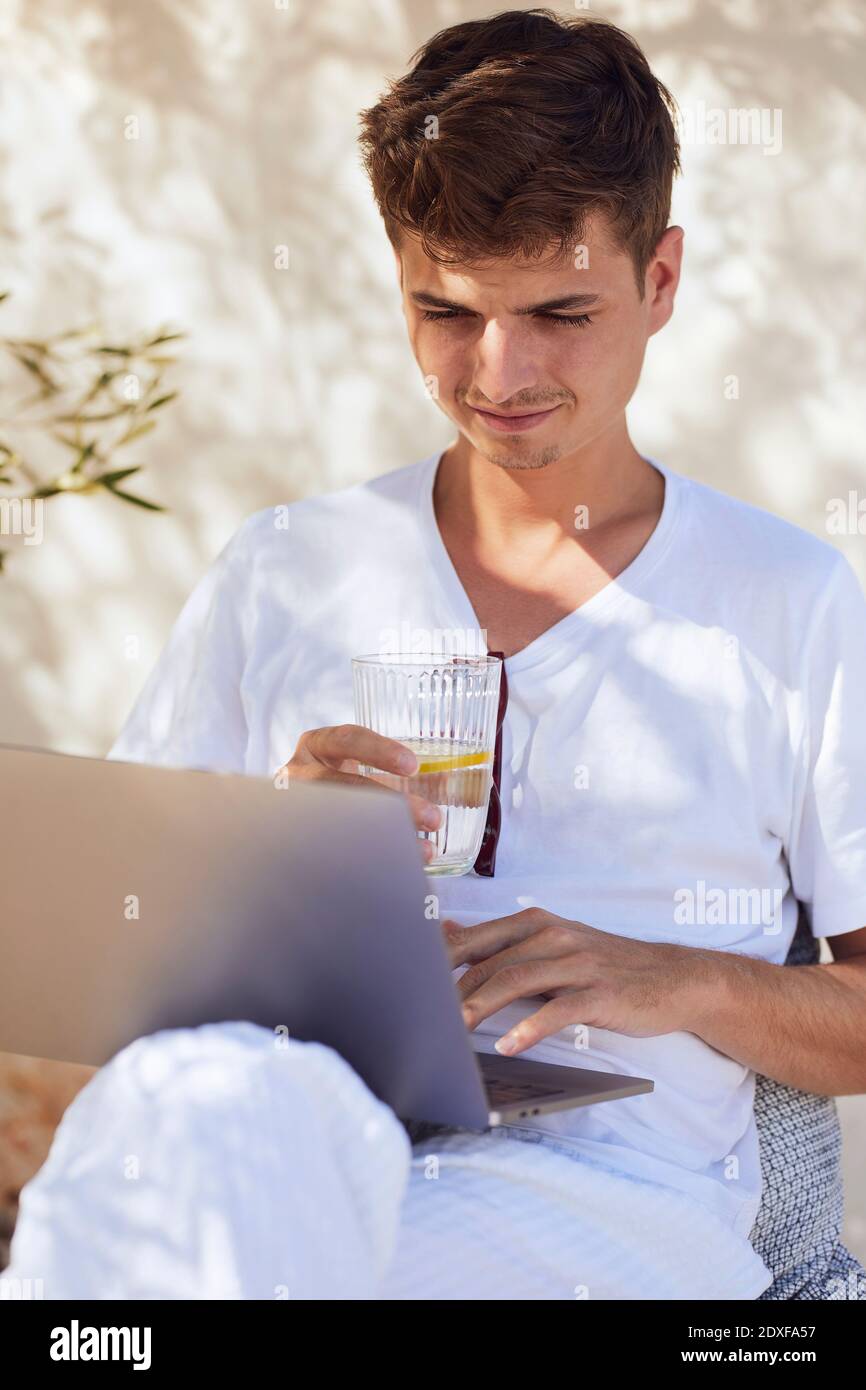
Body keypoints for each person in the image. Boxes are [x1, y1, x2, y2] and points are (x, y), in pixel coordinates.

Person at [8, 8, 866, 1300]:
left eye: (557, 311)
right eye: (444, 310)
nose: (497, 371)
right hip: (297, 1121)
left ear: (662, 279)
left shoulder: (786, 600)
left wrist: (678, 976)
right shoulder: (286, 568)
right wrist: (264, 856)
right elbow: (118, 969)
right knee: (189, 1119)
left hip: (605, 1193)